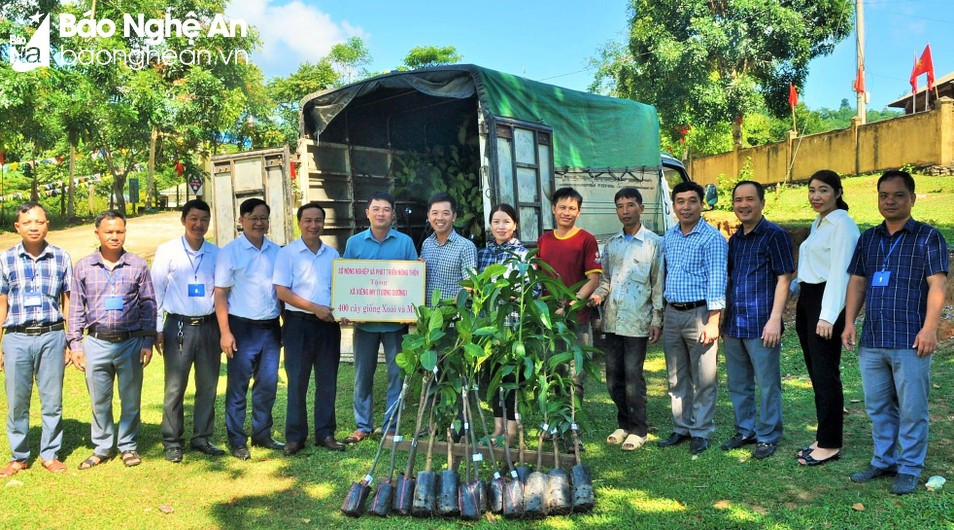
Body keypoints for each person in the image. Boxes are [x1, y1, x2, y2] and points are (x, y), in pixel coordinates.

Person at [842, 170, 948, 495]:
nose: (890, 200)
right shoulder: (868, 238)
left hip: (911, 340)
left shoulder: (928, 237)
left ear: (912, 199)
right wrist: (848, 322)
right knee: (877, 406)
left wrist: (930, 328)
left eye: (898, 195)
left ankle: (910, 467)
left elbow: (938, 284)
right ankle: (884, 459)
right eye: (884, 195)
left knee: (913, 409)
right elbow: (858, 282)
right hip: (873, 339)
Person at [69, 210, 157, 469]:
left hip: (130, 342)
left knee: (130, 398)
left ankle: (128, 445)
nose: (114, 236)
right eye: (109, 231)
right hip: (96, 342)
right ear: (97, 233)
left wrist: (147, 341)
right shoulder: (84, 266)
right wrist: (75, 344)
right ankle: (103, 446)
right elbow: (75, 307)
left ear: (125, 232)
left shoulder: (138, 265)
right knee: (99, 399)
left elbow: (148, 305)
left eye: (119, 231)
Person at [721, 181, 795, 460]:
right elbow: (730, 279)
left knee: (767, 383)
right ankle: (745, 430)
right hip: (734, 323)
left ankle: (767, 435)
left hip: (762, 323)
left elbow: (784, 278)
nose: (743, 204)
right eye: (738, 199)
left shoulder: (775, 235)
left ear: (762, 202)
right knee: (738, 383)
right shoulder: (735, 240)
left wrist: (775, 319)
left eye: (749, 199)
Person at [588, 188, 663, 452]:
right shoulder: (612, 245)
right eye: (620, 206)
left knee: (633, 377)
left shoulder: (654, 243)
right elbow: (606, 280)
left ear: (641, 208)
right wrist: (597, 296)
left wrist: (656, 318)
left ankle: (639, 429)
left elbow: (657, 284)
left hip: (637, 321)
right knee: (613, 378)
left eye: (630, 205)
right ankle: (623, 424)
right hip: (612, 320)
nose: (625, 211)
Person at [0, 203, 72, 476]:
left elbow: (69, 301)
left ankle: (50, 454)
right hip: (16, 337)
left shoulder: (61, 257)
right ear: (17, 226)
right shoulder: (5, 259)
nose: (34, 227)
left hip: (51, 336)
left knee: (52, 400)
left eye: (39, 222)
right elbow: (1, 304)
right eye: (27, 222)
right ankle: (19, 456)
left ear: (47, 224)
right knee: (17, 400)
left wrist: (69, 340)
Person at [151, 199, 225, 463]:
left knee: (208, 385)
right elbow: (156, 292)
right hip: (178, 326)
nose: (199, 224)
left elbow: (221, 293)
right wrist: (158, 329)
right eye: (193, 218)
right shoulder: (167, 251)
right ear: (183, 220)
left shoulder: (216, 253)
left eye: (204, 219)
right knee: (175, 386)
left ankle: (202, 437)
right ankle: (172, 440)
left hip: (208, 326)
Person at [794, 170, 860, 466]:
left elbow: (840, 273)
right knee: (815, 374)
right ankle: (823, 436)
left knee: (826, 373)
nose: (816, 196)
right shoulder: (819, 222)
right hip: (808, 299)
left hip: (826, 302)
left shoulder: (843, 226)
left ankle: (831, 443)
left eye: (823, 190)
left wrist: (828, 316)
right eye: (811, 190)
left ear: (838, 192)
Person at [341, 192, 418, 445]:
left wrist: (410, 310)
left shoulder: (405, 242)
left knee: (397, 374)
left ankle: (391, 427)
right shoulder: (354, 243)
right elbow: (348, 280)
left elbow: (412, 280)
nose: (381, 213)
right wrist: (347, 309)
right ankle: (363, 426)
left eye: (386, 209)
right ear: (367, 212)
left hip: (396, 325)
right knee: (363, 375)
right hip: (365, 325)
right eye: (376, 209)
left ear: (392, 214)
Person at [659, 181, 727, 455]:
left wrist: (714, 321)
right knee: (676, 376)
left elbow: (717, 280)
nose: (685, 207)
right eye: (680, 201)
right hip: (672, 313)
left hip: (700, 314)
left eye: (692, 201)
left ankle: (701, 431)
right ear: (674, 205)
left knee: (704, 376)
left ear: (701, 204)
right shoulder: (669, 237)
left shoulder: (712, 238)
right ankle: (681, 427)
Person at [215, 198, 284, 460]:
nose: (259, 222)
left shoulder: (277, 252)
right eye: (253, 217)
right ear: (241, 220)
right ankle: (237, 440)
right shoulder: (229, 252)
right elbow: (220, 295)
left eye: (264, 217)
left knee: (267, 384)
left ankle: (262, 434)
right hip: (241, 328)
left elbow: (282, 292)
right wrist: (225, 332)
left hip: (270, 328)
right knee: (238, 386)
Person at [273, 202, 344, 455]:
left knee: (327, 381)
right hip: (298, 325)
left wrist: (344, 311)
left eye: (318, 220)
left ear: (323, 223)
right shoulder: (287, 254)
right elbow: (282, 292)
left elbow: (341, 290)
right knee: (297, 382)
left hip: (327, 327)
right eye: (308, 220)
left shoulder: (333, 255)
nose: (313, 225)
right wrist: (315, 308)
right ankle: (295, 437)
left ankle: (325, 433)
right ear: (299, 223)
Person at [537, 187, 602, 400]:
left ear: (579, 212)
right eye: (562, 207)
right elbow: (539, 279)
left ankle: (573, 424)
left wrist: (570, 305)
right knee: (554, 370)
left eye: (572, 208)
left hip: (577, 318)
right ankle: (556, 424)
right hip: (551, 319)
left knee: (576, 372)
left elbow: (593, 280)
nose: (567, 212)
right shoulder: (544, 241)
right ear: (553, 209)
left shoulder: (586, 240)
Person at [477, 203, 530, 444]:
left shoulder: (523, 254)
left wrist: (511, 294)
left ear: (515, 225)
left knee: (511, 378)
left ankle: (511, 429)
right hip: (489, 328)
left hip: (512, 326)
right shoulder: (483, 254)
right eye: (496, 221)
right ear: (490, 225)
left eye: (506, 221)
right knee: (493, 377)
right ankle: (498, 427)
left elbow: (534, 289)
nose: (501, 226)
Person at [421, 192, 477, 307]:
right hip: (428, 317)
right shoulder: (426, 244)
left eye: (445, 213)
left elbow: (470, 286)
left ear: (454, 217)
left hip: (453, 318)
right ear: (428, 216)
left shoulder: (466, 246)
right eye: (435, 213)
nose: (439, 218)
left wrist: (447, 306)